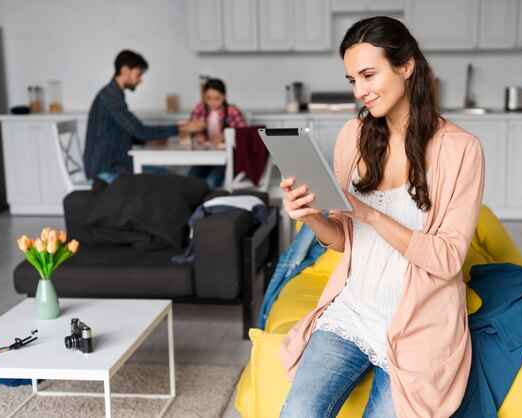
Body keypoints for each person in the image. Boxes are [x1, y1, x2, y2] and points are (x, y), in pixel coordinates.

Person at [278, 16, 485, 418]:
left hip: (418, 327)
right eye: (352, 80)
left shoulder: (462, 149)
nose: (360, 92)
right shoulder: (352, 138)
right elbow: (343, 238)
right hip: (352, 312)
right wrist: (308, 216)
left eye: (368, 75)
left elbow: (446, 259)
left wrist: (370, 215)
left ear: (406, 66)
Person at [84, 49, 203, 183]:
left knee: (171, 177)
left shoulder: (113, 94)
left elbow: (119, 132)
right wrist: (182, 128)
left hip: (113, 168)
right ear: (125, 70)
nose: (140, 80)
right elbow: (139, 130)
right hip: (106, 173)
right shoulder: (111, 97)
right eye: (138, 74)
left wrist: (145, 141)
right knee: (171, 181)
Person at [187, 78, 247, 188]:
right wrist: (197, 135)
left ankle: (208, 204)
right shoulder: (200, 109)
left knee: (211, 182)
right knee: (191, 179)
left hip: (226, 158)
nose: (212, 102)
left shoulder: (232, 111)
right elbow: (189, 128)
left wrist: (225, 137)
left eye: (217, 98)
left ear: (224, 96)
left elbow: (243, 135)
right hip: (204, 156)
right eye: (208, 98)